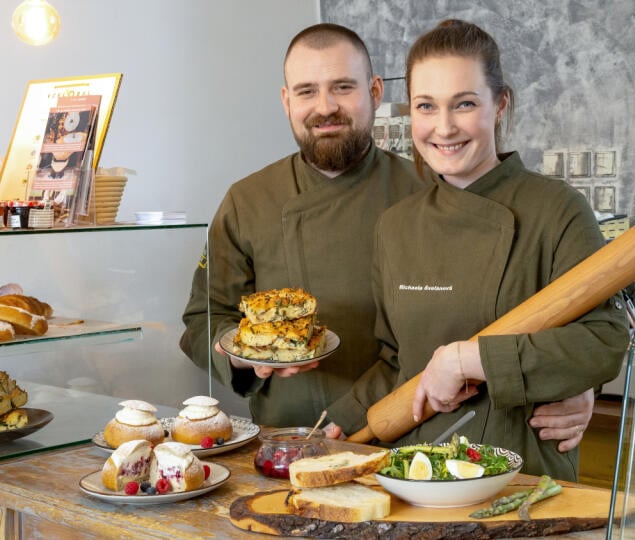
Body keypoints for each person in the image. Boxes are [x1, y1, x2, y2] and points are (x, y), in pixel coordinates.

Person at [180, 23, 595, 450]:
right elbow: (203, 319)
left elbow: (505, 320)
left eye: (343, 87)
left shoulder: (431, 189)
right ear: (286, 102)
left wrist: (572, 383)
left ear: (376, 92)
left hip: (417, 437)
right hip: (290, 437)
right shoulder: (247, 200)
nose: (325, 107)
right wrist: (242, 354)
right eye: (306, 92)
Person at [324, 20, 629, 481]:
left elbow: (603, 343)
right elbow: (396, 361)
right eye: (427, 106)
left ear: (500, 104)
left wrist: (468, 360)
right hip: (414, 474)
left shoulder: (557, 209)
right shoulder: (396, 226)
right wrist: (337, 422)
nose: (444, 128)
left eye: (464, 104)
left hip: (519, 475)